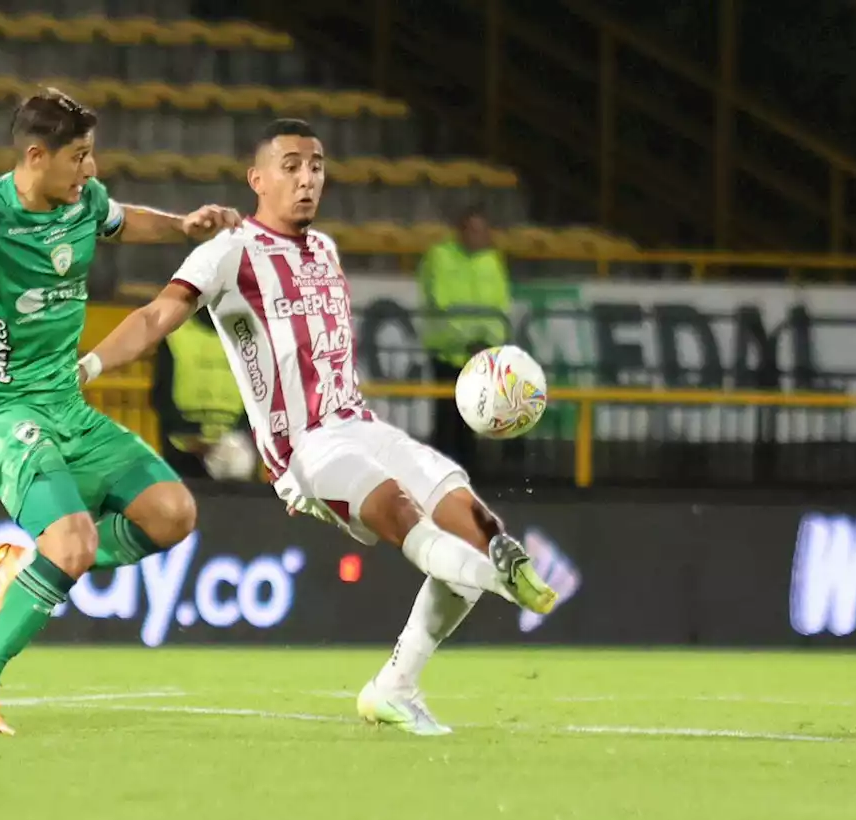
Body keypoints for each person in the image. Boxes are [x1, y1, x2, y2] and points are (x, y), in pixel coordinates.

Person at [79, 118, 556, 736]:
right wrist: (88, 365)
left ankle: (396, 686)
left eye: (317, 166)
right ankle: (506, 581)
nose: (308, 179)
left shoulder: (325, 249)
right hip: (306, 445)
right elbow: (154, 318)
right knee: (407, 516)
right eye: (292, 166)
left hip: (360, 424)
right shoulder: (229, 252)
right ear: (257, 179)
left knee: (468, 514)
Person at [0, 88, 241, 736]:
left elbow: (124, 217)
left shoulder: (84, 201)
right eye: (80, 157)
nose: (90, 170)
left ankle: (21, 570)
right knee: (71, 541)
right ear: (36, 155)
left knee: (173, 514)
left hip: (67, 406)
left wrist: (183, 227)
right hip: (2, 411)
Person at [418, 206, 514, 465]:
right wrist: (469, 339)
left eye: (483, 231)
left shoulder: (492, 261)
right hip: (448, 350)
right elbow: (442, 304)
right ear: (460, 232)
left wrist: (487, 341)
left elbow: (500, 306)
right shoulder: (440, 257)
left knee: (472, 415)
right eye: (473, 230)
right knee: (447, 416)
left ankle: (468, 473)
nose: (479, 236)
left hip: (479, 353)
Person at [151, 309, 251, 480]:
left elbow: (259, 397)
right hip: (183, 451)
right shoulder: (176, 333)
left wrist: (237, 435)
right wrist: (193, 436)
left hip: (235, 451)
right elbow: (161, 396)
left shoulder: (248, 337)